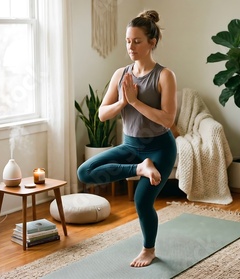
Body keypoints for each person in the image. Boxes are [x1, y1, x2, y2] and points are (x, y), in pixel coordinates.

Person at [77, 10, 177, 267]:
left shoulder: (165, 76)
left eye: (137, 41)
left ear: (152, 42)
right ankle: (139, 168)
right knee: (85, 172)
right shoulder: (120, 74)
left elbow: (168, 120)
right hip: (131, 146)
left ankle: (149, 249)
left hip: (159, 148)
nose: (130, 47)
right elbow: (101, 114)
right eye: (128, 41)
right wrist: (123, 101)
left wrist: (135, 101)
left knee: (142, 202)